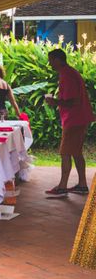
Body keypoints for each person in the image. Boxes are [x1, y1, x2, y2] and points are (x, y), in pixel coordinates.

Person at [44, 48, 95, 197]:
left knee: (65, 153)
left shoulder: (67, 75)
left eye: (51, 60)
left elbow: (74, 101)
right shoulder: (69, 73)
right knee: (76, 153)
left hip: (75, 119)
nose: (50, 63)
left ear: (58, 60)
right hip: (79, 118)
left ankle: (62, 187)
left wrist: (55, 101)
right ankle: (82, 184)